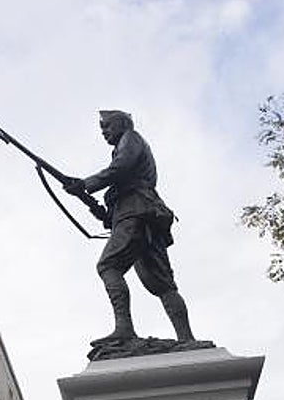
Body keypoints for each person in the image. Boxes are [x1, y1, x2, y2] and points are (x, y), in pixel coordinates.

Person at [63, 109, 195, 346]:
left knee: (108, 265)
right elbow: (117, 196)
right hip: (143, 215)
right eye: (102, 128)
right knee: (162, 284)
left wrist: (86, 184)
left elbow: (121, 167)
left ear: (123, 124)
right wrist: (97, 208)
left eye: (107, 126)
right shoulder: (128, 147)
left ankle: (124, 328)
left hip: (135, 211)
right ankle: (186, 339)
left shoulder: (131, 139)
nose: (104, 132)